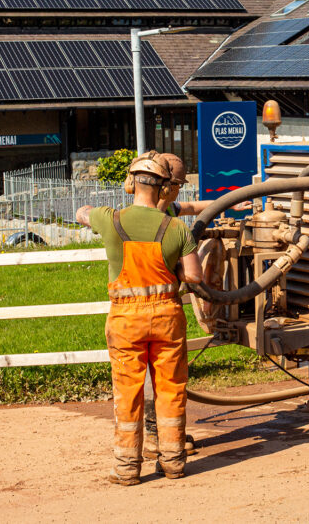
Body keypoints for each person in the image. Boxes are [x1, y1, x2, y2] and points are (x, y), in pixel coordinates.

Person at [75, 151, 201, 486]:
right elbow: (195, 276)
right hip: (167, 317)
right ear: (164, 189)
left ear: (131, 184)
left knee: (127, 392)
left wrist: (88, 215)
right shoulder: (177, 228)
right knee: (171, 389)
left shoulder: (110, 219)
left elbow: (80, 212)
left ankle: (128, 468)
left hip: (125, 321)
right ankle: (173, 462)